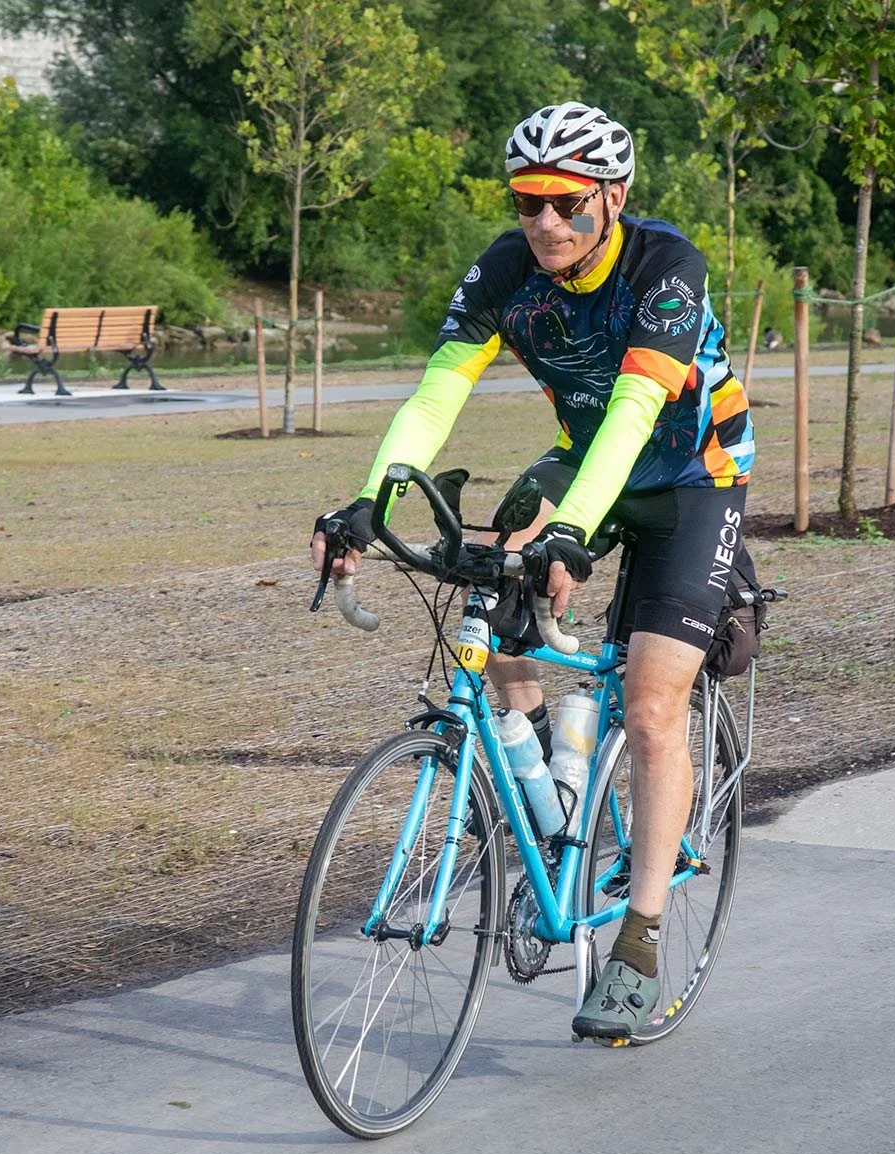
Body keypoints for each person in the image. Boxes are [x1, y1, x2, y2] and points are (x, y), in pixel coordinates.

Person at [309, 101, 757, 1045]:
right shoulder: (508, 271)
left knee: (649, 706)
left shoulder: (665, 267)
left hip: (689, 478)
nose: (546, 224)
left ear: (615, 197)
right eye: (527, 202)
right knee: (488, 575)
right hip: (583, 457)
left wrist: (578, 535)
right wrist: (369, 504)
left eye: (567, 204)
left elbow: (638, 410)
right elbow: (438, 393)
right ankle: (546, 789)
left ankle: (635, 946)